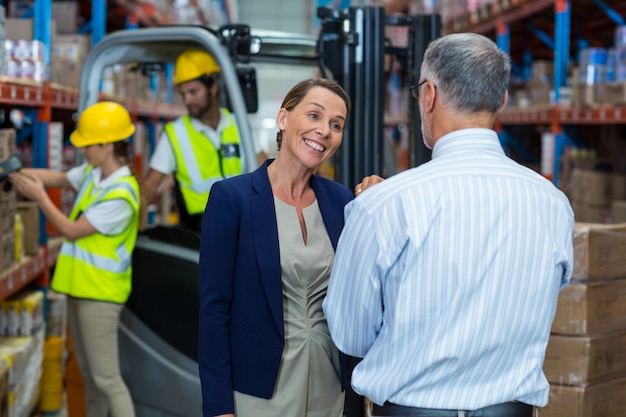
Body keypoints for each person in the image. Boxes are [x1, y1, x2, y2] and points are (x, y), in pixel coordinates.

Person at [323, 33, 575, 417]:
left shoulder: (384, 206)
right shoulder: (554, 204)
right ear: (502, 100)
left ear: (429, 96)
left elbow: (351, 334)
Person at [198, 78, 370, 417]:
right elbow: (213, 311)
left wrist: (379, 199)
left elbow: (364, 290)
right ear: (283, 119)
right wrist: (218, 407)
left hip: (329, 385)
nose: (324, 130)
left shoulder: (341, 201)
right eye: (314, 116)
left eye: (336, 125)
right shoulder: (233, 199)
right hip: (260, 390)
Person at [10, 101, 140, 417]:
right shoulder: (95, 174)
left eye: (88, 145)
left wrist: (39, 197)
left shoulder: (122, 195)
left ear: (108, 145)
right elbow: (56, 178)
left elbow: (70, 230)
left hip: (101, 295)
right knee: (88, 375)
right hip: (81, 289)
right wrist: (14, 172)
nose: (82, 150)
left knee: (107, 379)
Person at [142, 49, 267, 232]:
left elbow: (265, 169)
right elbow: (149, 186)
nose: (188, 100)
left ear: (213, 87)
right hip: (201, 230)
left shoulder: (238, 123)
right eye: (183, 94)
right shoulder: (175, 133)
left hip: (244, 221)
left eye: (193, 91)